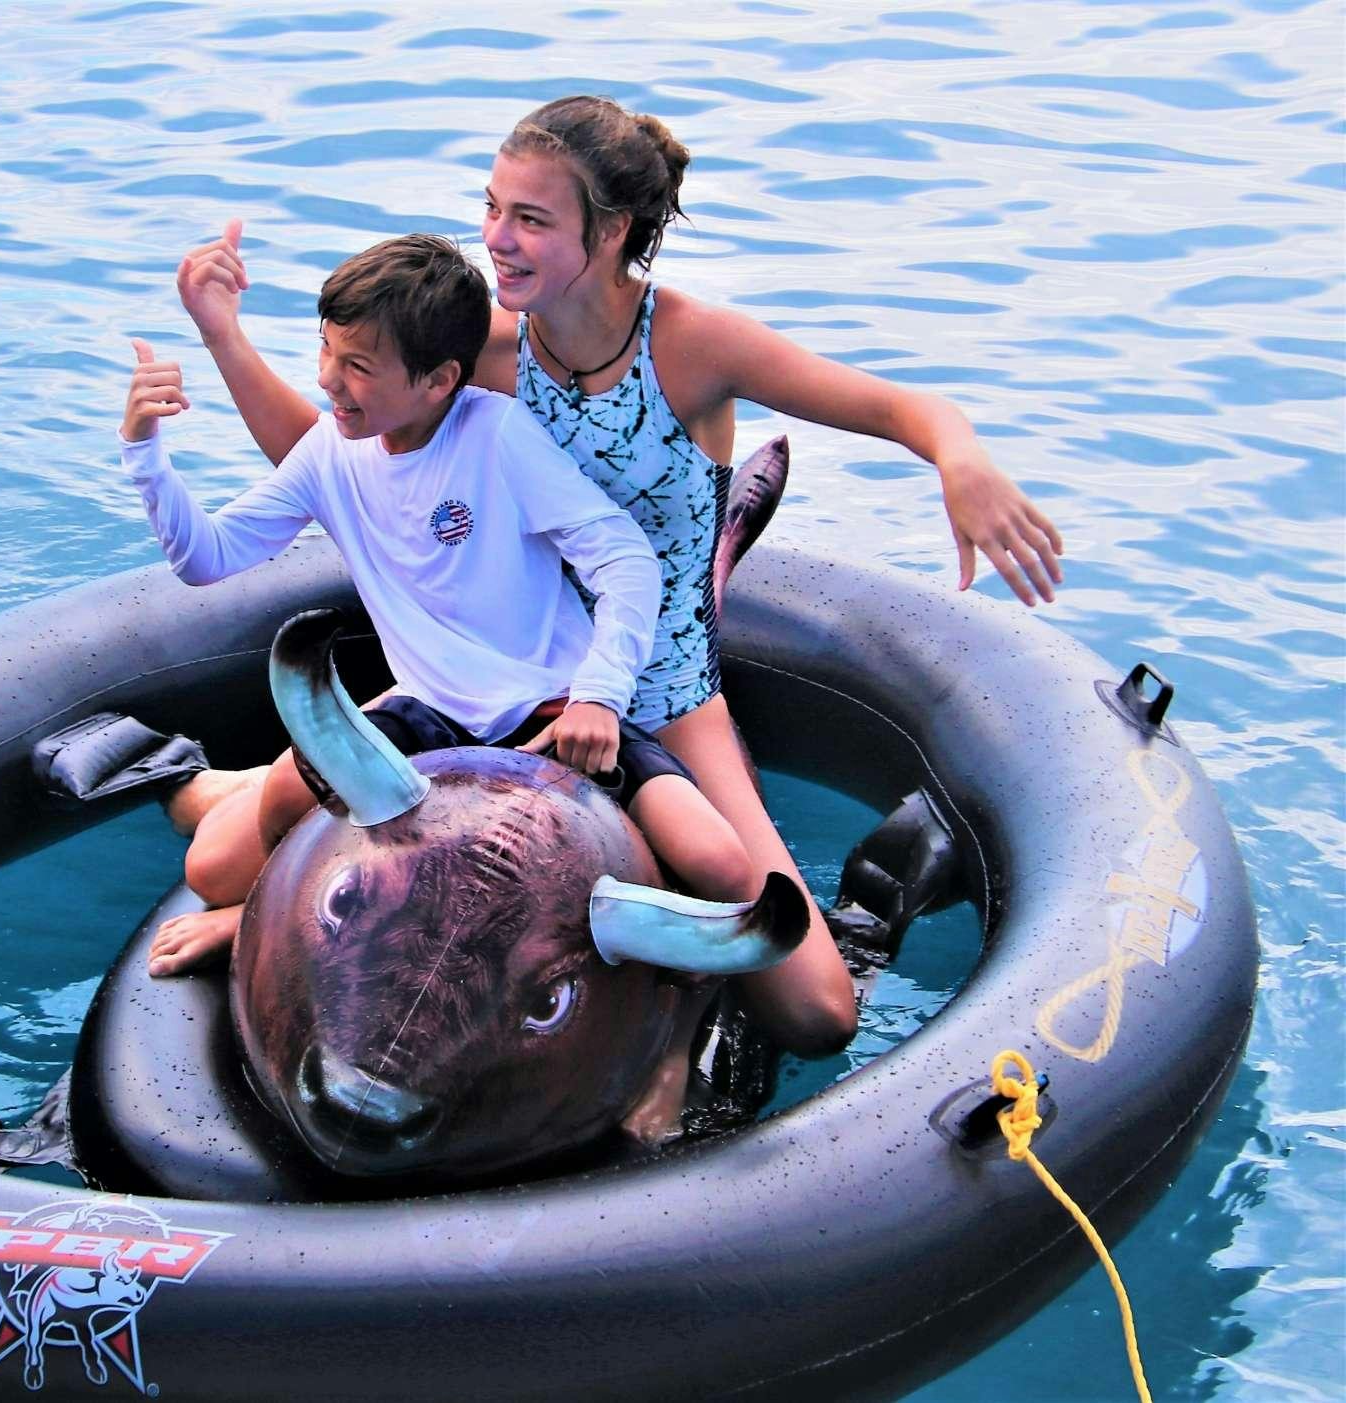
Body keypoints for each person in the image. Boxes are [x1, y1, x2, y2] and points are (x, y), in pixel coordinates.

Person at [159, 95, 1066, 1057]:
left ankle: (236, 784)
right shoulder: (490, 354)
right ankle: (238, 802)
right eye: (493, 207)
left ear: (613, 230)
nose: (496, 241)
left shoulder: (691, 345)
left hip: (662, 687)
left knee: (814, 1012)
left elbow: (901, 405)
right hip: (517, 680)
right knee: (221, 863)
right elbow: (342, 454)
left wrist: (958, 457)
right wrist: (223, 333)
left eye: (532, 219)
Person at [123, 234, 797, 1137]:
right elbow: (206, 559)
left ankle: (673, 1036)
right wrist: (145, 449)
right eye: (326, 350)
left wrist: (598, 694)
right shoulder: (332, 453)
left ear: (440, 379)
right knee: (212, 866)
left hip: (552, 715)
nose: (330, 380)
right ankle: (254, 917)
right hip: (427, 714)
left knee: (716, 862)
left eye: (359, 364)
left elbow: (627, 562)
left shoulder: (499, 437)